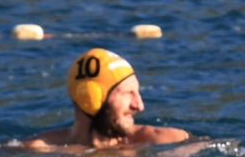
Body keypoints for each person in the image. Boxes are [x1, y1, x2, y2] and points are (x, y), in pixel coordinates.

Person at [12, 48, 191, 150]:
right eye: (128, 93)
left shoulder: (170, 140)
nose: (139, 105)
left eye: (137, 93)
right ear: (91, 97)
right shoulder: (39, 149)